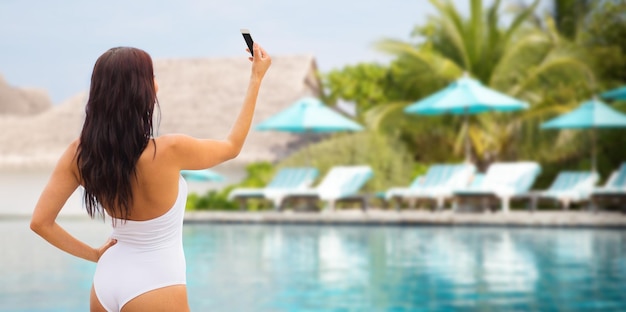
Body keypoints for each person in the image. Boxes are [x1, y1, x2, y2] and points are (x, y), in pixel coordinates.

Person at [30, 43, 271, 311]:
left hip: (106, 281)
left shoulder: (80, 153)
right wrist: (256, 78)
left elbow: (40, 222)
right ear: (142, 90)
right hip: (155, 284)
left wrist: (95, 255)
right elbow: (232, 146)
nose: (156, 82)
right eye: (152, 76)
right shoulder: (171, 150)